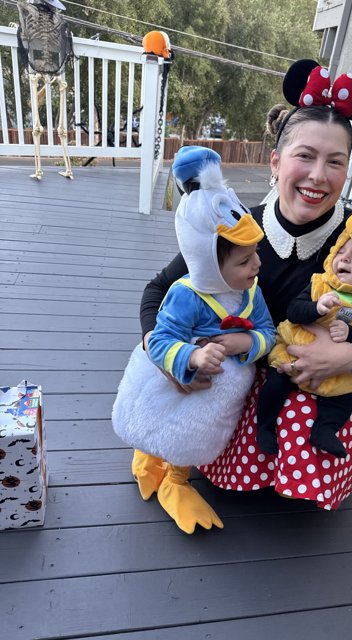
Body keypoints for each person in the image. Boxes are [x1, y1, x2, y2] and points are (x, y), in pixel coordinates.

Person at [136, 59, 352, 532]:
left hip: (324, 383)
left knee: (316, 398)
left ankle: (311, 465)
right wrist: (166, 360)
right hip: (244, 363)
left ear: (347, 170)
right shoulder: (237, 227)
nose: (318, 175)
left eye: (335, 161)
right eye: (305, 156)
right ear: (276, 162)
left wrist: (348, 356)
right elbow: (158, 291)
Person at [112, 146, 276, 532]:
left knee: (188, 436)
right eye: (244, 260)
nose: (257, 265)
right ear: (209, 265)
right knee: (158, 420)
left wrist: (243, 345)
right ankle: (148, 458)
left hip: (220, 384)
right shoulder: (187, 295)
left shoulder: (252, 290)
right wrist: (190, 358)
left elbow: (267, 331)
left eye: (256, 254)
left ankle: (176, 480)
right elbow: (165, 337)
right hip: (182, 374)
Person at [256, 195, 352, 458]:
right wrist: (315, 308)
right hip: (295, 352)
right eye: (342, 251)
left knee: (345, 396)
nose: (345, 259)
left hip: (342, 369)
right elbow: (293, 312)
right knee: (275, 383)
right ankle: (264, 426)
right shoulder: (320, 284)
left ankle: (324, 431)